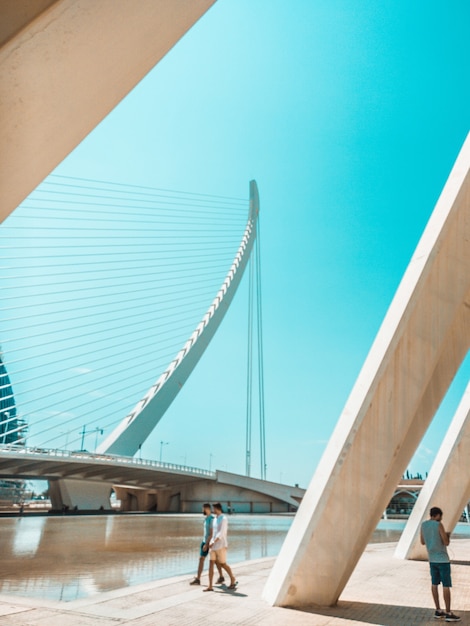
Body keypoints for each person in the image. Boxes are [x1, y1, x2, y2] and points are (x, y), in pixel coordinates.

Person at [420, 506, 460, 622]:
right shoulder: (438, 525)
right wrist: (447, 535)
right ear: (437, 515)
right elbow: (446, 542)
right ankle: (448, 612)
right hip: (442, 560)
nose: (441, 519)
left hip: (432, 560)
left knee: (434, 584)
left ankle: (438, 610)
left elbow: (423, 542)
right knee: (446, 585)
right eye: (440, 516)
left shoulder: (423, 525)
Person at [204, 502, 237, 592]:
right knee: (211, 564)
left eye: (214, 509)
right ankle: (210, 586)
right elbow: (213, 533)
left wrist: (214, 542)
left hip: (221, 545)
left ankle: (232, 578)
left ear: (217, 508)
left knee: (223, 564)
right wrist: (208, 544)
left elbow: (221, 533)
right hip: (212, 546)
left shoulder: (224, 519)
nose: (213, 510)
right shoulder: (214, 519)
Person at [190, 503, 223, 586]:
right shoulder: (206, 519)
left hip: (210, 542)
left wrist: (207, 544)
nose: (202, 510)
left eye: (203, 509)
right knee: (201, 559)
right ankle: (198, 579)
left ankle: (221, 576)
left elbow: (211, 534)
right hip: (204, 541)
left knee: (215, 561)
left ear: (206, 509)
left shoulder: (211, 519)